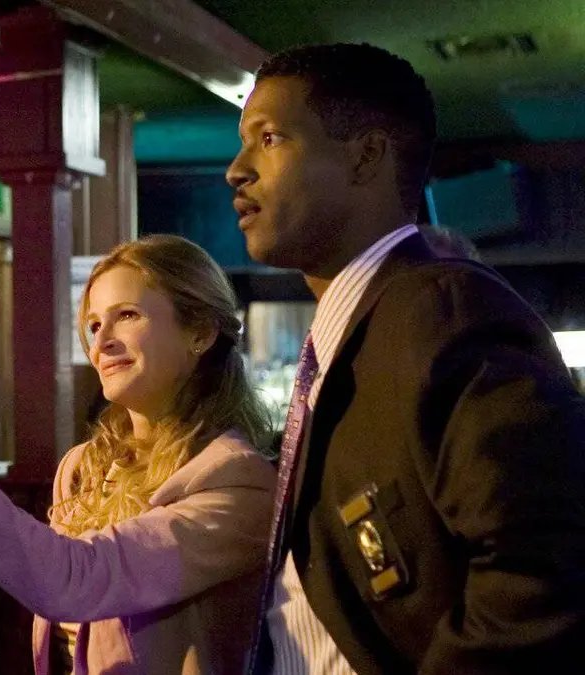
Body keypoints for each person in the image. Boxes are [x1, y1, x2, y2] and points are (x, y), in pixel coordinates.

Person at [225, 42, 585, 675]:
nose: (237, 170)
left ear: (366, 156)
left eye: (270, 138)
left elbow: (546, 564)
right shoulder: (351, 332)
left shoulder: (445, 311)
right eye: (243, 143)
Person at [0, 235, 278, 674]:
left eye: (127, 315)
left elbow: (74, 580)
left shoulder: (240, 482)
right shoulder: (83, 467)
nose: (101, 342)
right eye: (93, 325)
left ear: (200, 332)